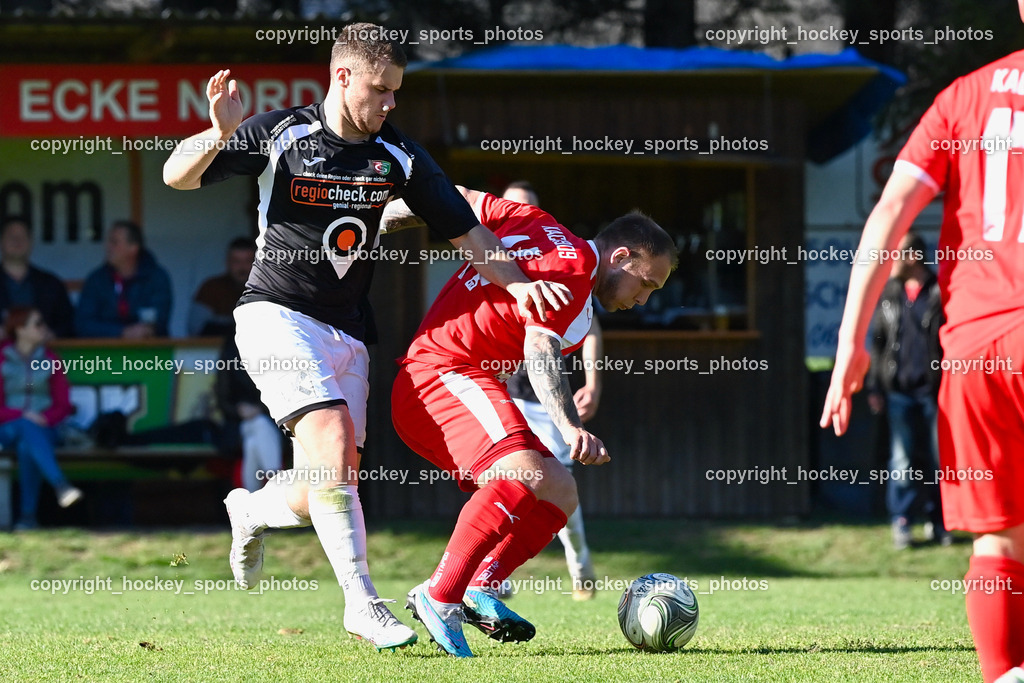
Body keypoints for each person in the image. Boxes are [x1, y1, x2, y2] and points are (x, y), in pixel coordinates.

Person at [162, 23, 569, 652]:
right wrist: (218, 134)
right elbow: (176, 178)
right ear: (342, 76)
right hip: (273, 311)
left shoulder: (400, 156)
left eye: (397, 92)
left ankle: (252, 509)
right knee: (332, 437)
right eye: (380, 90)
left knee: (332, 476)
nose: (389, 104)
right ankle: (363, 604)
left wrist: (517, 286)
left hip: (347, 330)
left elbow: (470, 236)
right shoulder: (281, 132)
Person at [820, 4, 1024, 677]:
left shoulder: (963, 96)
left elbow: (888, 215)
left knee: (1000, 537)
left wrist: (850, 339)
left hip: (975, 348)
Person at [390, 187, 677, 657]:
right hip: (441, 374)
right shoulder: (576, 271)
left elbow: (445, 196)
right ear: (620, 256)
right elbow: (539, 350)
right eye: (646, 284)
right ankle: (441, 594)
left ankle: (482, 585)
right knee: (523, 471)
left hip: (455, 377)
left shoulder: (533, 220)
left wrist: (369, 220)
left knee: (559, 487)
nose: (643, 299)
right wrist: (568, 428)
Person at [501, 180, 601, 599]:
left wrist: (593, 383)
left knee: (559, 487)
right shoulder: (487, 258)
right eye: (511, 207)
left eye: (529, 208)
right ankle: (494, 577)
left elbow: (591, 326)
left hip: (547, 403)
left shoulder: (559, 265)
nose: (519, 214)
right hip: (501, 397)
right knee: (504, 486)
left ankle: (581, 568)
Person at [866, 231, 949, 550]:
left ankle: (940, 521)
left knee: (940, 459)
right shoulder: (890, 292)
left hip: (934, 390)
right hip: (899, 390)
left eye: (897, 254)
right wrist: (875, 384)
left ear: (913, 256)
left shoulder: (939, 291)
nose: (891, 261)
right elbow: (878, 342)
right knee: (902, 459)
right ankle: (902, 520)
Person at [0, 307, 81, 529]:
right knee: (25, 427)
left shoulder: (52, 359)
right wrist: (22, 414)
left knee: (28, 446)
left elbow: (63, 405)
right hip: (6, 427)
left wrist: (45, 418)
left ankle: (28, 518)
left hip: (44, 427)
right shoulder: (1, 358)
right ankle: (60, 485)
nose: (43, 329)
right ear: (19, 329)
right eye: (37, 324)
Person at [75, 220, 173, 338]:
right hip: (104, 352)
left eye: (114, 242)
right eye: (108, 242)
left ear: (133, 248)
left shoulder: (156, 277)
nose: (108, 247)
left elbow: (159, 319)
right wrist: (121, 332)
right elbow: (82, 324)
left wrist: (146, 330)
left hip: (149, 351)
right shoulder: (96, 279)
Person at [215, 333, 283, 493]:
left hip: (272, 423)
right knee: (258, 425)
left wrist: (260, 409)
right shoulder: (230, 354)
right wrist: (240, 410)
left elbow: (281, 395)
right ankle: (277, 481)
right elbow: (223, 401)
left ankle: (252, 505)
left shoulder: (273, 353)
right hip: (237, 426)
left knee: (253, 442)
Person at [0, 218, 74, 338]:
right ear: (1, 241)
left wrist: (52, 334)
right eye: (11, 237)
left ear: (31, 242)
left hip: (43, 354)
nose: (17, 241)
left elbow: (68, 323)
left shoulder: (51, 283)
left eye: (23, 237)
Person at [189, 237, 256, 337]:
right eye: (236, 261)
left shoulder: (267, 289)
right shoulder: (211, 288)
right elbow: (195, 328)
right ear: (227, 262)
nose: (242, 267)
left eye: (247, 261)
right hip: (216, 350)